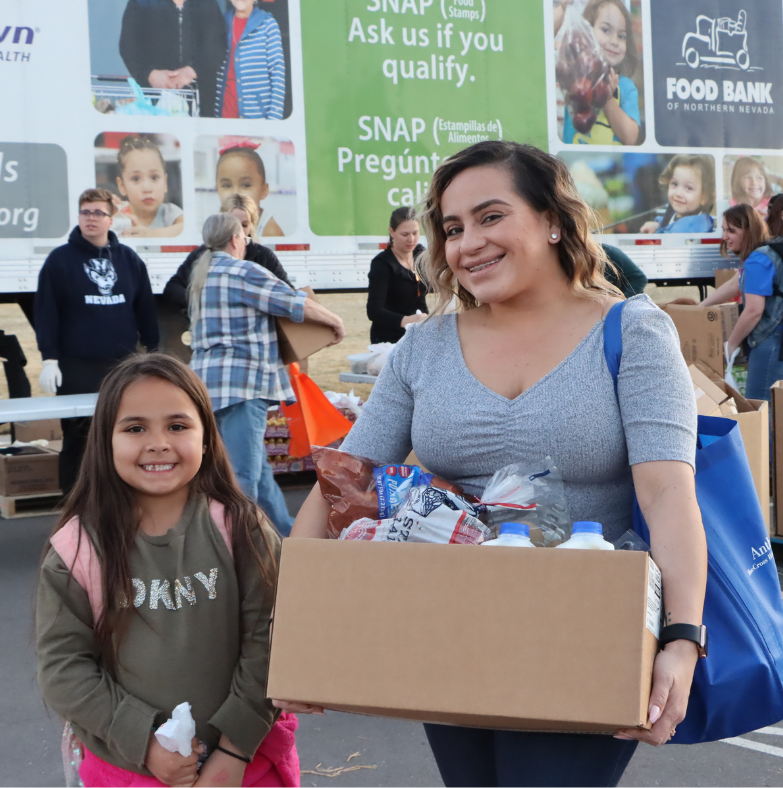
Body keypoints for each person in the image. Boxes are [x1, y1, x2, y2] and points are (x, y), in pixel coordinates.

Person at [277, 141, 707, 787]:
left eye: (490, 216)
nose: (467, 243)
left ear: (553, 219)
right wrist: (297, 630)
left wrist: (680, 640)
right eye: (452, 228)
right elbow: (346, 479)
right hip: (451, 624)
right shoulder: (424, 346)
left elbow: (668, 495)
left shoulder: (632, 332)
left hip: (588, 631)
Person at [36, 354, 299, 788]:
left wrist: (234, 751)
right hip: (126, 769)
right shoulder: (76, 549)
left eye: (177, 426)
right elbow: (64, 669)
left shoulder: (241, 528)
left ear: (207, 437)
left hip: (245, 765)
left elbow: (270, 641)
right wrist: (143, 741)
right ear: (105, 441)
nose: (158, 442)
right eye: (135, 428)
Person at [189, 213, 345, 536]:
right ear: (235, 239)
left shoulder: (201, 275)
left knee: (257, 473)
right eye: (243, 237)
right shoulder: (242, 271)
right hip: (244, 384)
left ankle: (288, 536)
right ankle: (237, 543)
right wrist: (334, 321)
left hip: (206, 385)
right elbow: (291, 302)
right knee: (243, 476)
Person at [34, 188, 159, 492]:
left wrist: (155, 355)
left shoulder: (129, 260)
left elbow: (145, 310)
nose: (91, 218)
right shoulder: (59, 261)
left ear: (110, 219)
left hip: (122, 367)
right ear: (79, 217)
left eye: (98, 213)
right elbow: (45, 312)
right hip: (76, 368)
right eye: (86, 212)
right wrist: (49, 358)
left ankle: (117, 504)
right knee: (78, 441)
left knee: (121, 438)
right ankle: (72, 509)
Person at [702, 203, 783, 402]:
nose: (724, 237)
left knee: (761, 410)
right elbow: (735, 283)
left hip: (776, 343)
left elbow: (754, 310)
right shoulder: (772, 251)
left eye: (732, 231)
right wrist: (700, 307)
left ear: (748, 231)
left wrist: (731, 345)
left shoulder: (758, 259)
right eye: (723, 230)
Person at [164, 194, 291, 312]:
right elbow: (173, 289)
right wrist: (206, 303)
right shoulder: (204, 252)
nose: (238, 231)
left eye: (244, 225)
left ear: (252, 225)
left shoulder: (263, 255)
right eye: (233, 224)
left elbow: (287, 292)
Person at [119, 0, 227, 118]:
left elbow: (218, 45)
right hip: (155, 102)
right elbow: (128, 46)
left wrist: (193, 70)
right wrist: (149, 74)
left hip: (200, 102)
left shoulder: (207, 3)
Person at [559, 0, 640, 146]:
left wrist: (608, 99)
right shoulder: (576, 75)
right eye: (606, 30)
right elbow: (541, 45)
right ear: (587, 31)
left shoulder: (627, 87)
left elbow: (630, 138)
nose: (614, 41)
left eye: (621, 36)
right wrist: (562, 8)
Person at [366, 207, 428, 343]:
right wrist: (405, 321)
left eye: (415, 233)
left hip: (419, 334)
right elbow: (374, 310)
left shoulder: (420, 253)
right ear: (392, 232)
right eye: (405, 234)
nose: (411, 239)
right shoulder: (382, 264)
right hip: (389, 339)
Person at [216, 0, 286, 120]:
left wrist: (274, 120)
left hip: (258, 118)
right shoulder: (221, 23)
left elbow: (277, 72)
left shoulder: (268, 24)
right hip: (224, 115)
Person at [110, 135, 185, 238]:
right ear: (122, 186)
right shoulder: (119, 212)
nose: (147, 188)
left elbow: (185, 227)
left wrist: (150, 234)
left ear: (165, 183)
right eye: (136, 179)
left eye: (154, 177)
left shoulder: (169, 212)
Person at [215, 143, 284, 237]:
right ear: (217, 189)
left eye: (246, 185)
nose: (236, 193)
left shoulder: (269, 231)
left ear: (264, 191)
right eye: (227, 185)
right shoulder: (217, 224)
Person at [641, 155, 715, 233]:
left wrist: (659, 231)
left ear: (704, 197)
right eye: (675, 184)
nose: (678, 193)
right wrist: (658, 224)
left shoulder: (690, 229)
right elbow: (671, 221)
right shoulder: (680, 216)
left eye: (689, 188)